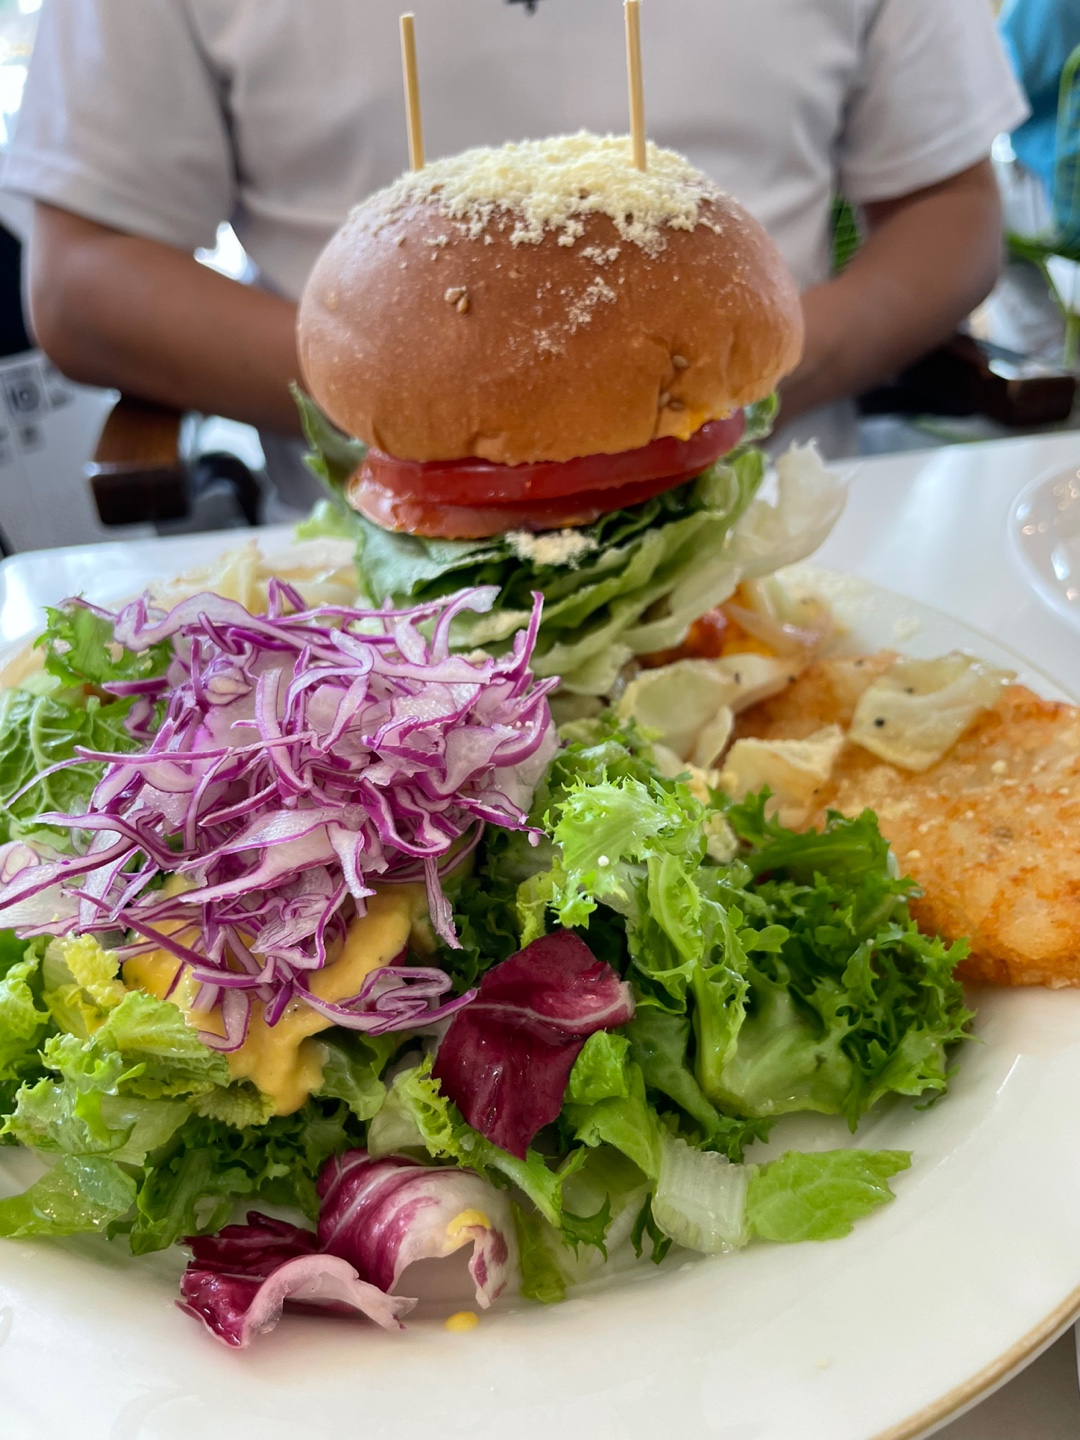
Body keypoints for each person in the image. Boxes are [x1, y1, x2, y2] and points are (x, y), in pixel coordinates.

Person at [1, 0, 1027, 506]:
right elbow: (84, 275)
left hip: (773, 499)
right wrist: (429, 421)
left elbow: (948, 201)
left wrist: (726, 403)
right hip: (367, 551)